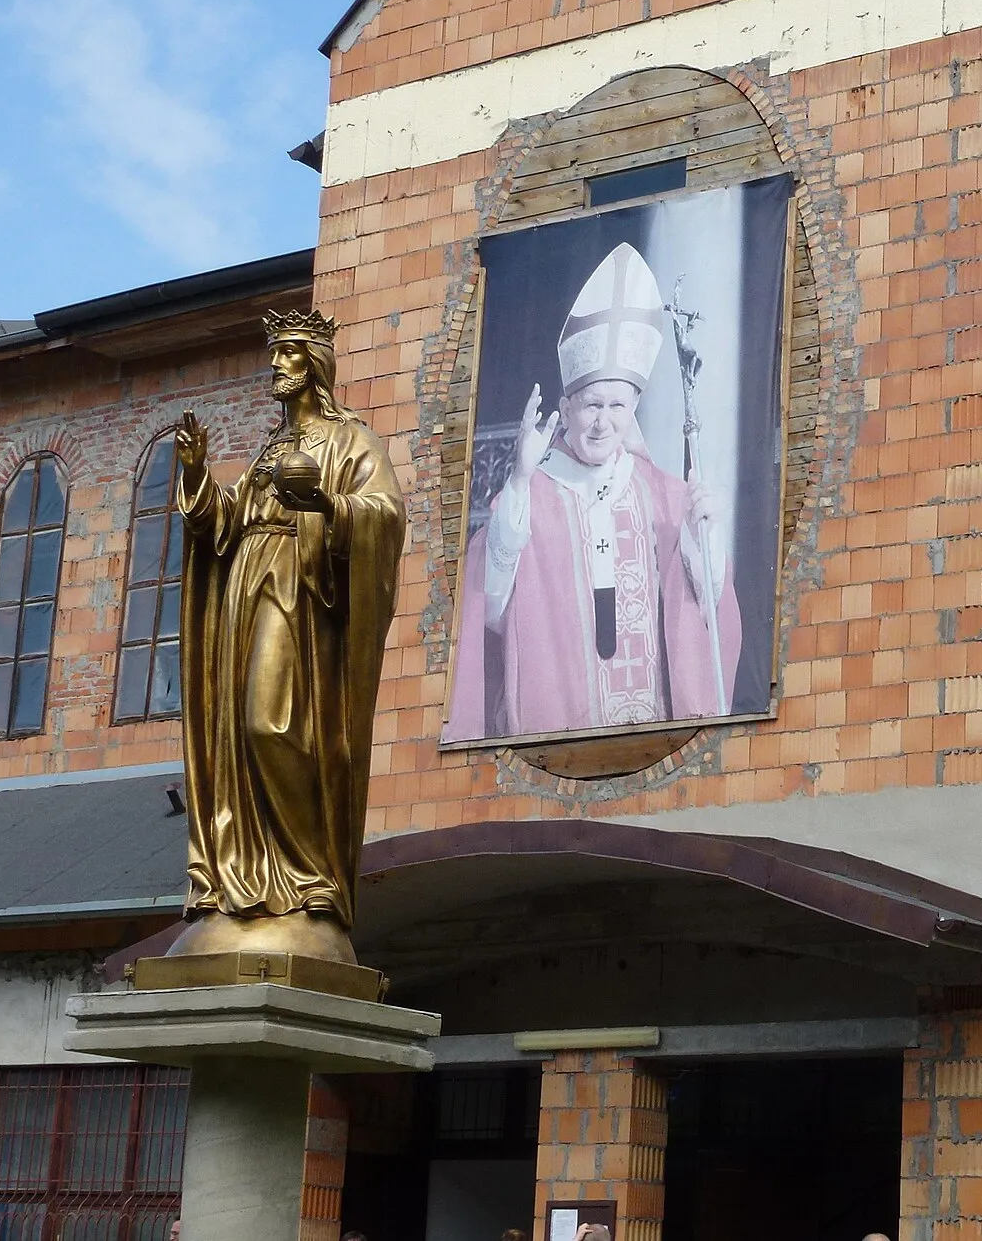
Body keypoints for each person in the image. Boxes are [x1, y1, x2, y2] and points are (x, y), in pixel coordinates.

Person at [168, 309, 404, 944]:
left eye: (290, 352)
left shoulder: (348, 440)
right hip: (247, 583)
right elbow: (222, 526)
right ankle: (250, 875)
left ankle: (310, 873)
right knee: (238, 741)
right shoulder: (270, 448)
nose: (277, 363)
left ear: (316, 365)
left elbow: (385, 515)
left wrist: (325, 500)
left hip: (298, 592)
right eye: (274, 352)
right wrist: (196, 475)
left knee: (268, 724)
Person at [447, 242, 741, 740]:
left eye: (618, 407)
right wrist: (518, 479)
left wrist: (703, 538)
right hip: (556, 737)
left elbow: (708, 609)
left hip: (652, 734)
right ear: (566, 405)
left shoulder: (666, 495)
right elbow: (492, 610)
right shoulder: (530, 497)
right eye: (591, 406)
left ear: (634, 412)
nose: (604, 423)